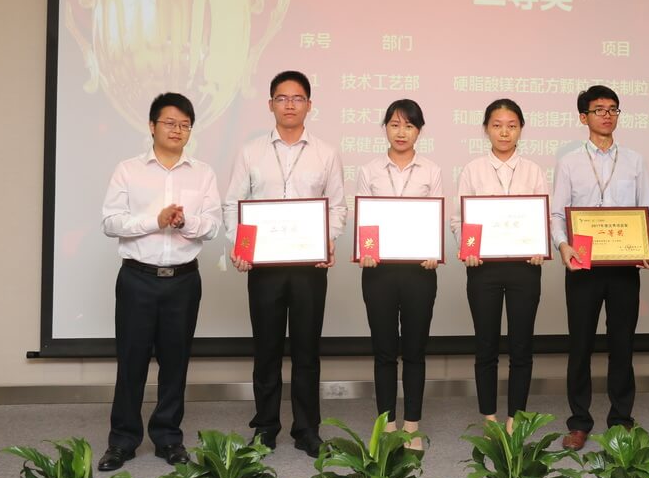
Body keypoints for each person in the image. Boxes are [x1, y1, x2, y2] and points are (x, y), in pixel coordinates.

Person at [223, 70, 346, 456]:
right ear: (270, 104)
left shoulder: (326, 153)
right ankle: (265, 428)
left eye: (297, 98)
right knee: (267, 350)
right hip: (265, 268)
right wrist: (241, 246)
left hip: (309, 268)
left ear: (309, 105)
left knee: (307, 351)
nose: (289, 105)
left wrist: (328, 239)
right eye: (282, 98)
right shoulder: (251, 151)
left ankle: (307, 429)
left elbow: (338, 206)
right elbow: (233, 203)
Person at [98, 93, 221, 471]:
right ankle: (122, 441)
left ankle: (168, 438)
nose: (177, 130)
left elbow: (213, 226)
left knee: (175, 363)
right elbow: (110, 222)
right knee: (131, 362)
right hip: (138, 278)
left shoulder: (203, 173)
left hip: (183, 281)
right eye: (170, 122)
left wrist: (186, 222)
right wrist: (156, 219)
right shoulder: (128, 170)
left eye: (185, 125)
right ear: (152, 126)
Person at [550, 85, 649, 451]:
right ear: (583, 117)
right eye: (599, 110)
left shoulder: (633, 160)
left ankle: (621, 420)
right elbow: (556, 214)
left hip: (624, 265)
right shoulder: (569, 162)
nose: (607, 115)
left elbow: (647, 209)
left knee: (622, 344)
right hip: (582, 265)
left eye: (613, 109)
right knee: (580, 345)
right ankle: (579, 422)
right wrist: (563, 246)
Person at [452, 98, 549, 433]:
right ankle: (489, 417)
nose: (504, 132)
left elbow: (543, 217)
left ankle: (515, 418)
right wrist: (468, 248)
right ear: (486, 129)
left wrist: (539, 245)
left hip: (525, 268)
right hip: (483, 269)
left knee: (521, 346)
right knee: (486, 345)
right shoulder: (473, 170)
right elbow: (458, 219)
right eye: (497, 125)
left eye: (511, 125)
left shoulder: (533, 170)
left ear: (521, 129)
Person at [356, 99, 442, 450]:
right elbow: (365, 220)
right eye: (394, 124)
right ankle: (387, 425)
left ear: (419, 130)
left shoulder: (431, 171)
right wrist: (366, 250)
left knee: (415, 351)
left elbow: (436, 217)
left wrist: (434, 250)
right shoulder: (369, 170)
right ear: (385, 129)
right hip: (379, 272)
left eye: (409, 125)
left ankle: (412, 425)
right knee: (384, 351)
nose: (401, 132)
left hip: (420, 272)